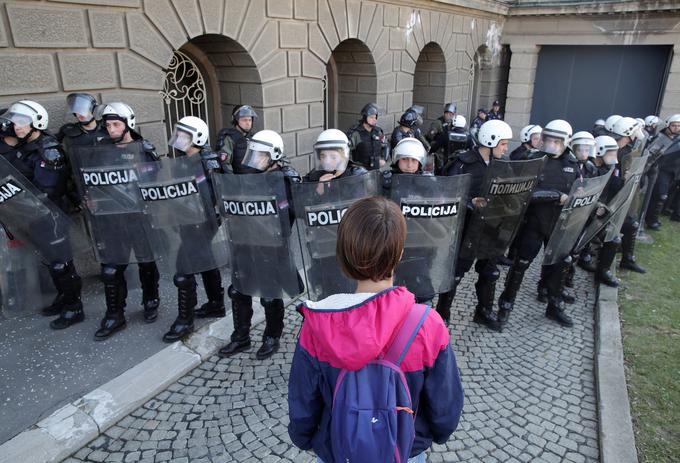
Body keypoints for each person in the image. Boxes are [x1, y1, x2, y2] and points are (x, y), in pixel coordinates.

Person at [287, 195, 464, 463]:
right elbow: (445, 404)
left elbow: (303, 399)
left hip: (338, 448)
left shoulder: (317, 325)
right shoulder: (428, 324)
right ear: (400, 253)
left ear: (343, 256)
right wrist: (435, 434)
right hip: (405, 448)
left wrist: (304, 438)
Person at [218, 129, 302, 360]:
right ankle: (241, 337)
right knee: (237, 291)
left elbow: (295, 213)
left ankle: (271, 336)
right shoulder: (245, 177)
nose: (254, 159)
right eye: (252, 153)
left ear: (274, 156)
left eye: (260, 155)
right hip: (244, 242)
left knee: (269, 294)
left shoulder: (285, 180)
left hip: (272, 246)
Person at [5, 100, 84, 329]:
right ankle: (64, 298)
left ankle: (74, 307)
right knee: (52, 261)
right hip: (34, 216)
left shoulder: (49, 148)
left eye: (21, 122)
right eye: (14, 121)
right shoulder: (24, 147)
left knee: (62, 263)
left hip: (52, 215)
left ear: (37, 122)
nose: (16, 126)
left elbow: (48, 188)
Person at [498, 120, 580, 328]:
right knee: (521, 264)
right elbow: (522, 193)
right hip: (532, 222)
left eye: (556, 140)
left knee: (559, 263)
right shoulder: (532, 159)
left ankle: (554, 304)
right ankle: (506, 304)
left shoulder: (572, 163)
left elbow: (578, 189)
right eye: (548, 139)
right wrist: (555, 196)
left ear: (566, 141)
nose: (551, 143)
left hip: (558, 223)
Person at [91, 102, 163, 340]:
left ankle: (151, 300)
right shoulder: (100, 150)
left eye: (116, 124)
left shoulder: (144, 149)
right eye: (108, 124)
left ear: (128, 123)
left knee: (146, 263)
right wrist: (91, 198)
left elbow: (155, 183)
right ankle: (114, 314)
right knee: (111, 269)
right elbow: (93, 180)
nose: (111, 129)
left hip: (140, 217)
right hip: (112, 219)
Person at [435, 120, 514, 331]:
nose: (506, 149)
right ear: (491, 141)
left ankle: (484, 311)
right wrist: (470, 203)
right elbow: (447, 195)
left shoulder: (503, 165)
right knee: (457, 273)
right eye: (503, 144)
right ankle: (442, 314)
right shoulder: (463, 163)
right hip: (465, 230)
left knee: (489, 271)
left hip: (490, 230)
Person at [160, 116, 228, 342]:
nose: (178, 138)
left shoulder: (208, 162)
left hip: (203, 222)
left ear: (196, 137)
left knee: (183, 270)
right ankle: (216, 303)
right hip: (188, 220)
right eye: (178, 133)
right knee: (205, 259)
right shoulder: (183, 161)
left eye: (183, 135)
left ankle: (185, 320)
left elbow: (216, 194)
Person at [610, 117, 647, 274]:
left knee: (631, 224)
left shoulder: (626, 150)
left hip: (622, 195)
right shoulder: (611, 148)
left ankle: (627, 259)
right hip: (610, 198)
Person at [646, 114, 680, 230]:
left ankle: (652, 217)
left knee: (662, 196)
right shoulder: (661, 137)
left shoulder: (678, 139)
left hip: (673, 172)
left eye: (679, 126)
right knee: (661, 195)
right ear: (668, 125)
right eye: (674, 125)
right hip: (660, 170)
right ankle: (651, 220)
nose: (676, 128)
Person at [216, 104, 257, 173]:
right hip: (238, 181)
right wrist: (232, 181)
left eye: (250, 120)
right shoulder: (229, 138)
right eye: (244, 120)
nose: (248, 123)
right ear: (236, 121)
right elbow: (225, 164)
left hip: (254, 179)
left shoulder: (254, 137)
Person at [347, 102, 387, 170]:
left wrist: (383, 159)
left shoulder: (378, 131)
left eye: (375, 117)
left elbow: (385, 145)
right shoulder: (356, 133)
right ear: (365, 117)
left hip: (375, 169)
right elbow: (346, 151)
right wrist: (354, 165)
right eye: (371, 117)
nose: (374, 120)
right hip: (359, 170)